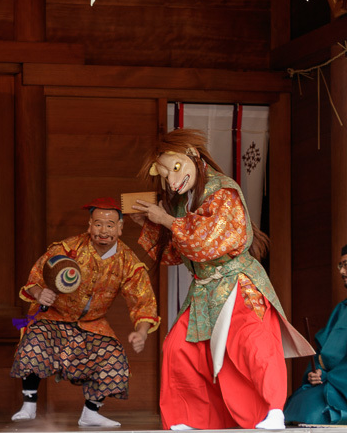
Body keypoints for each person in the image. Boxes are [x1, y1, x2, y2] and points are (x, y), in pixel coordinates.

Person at [131, 128, 312, 431]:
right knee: (179, 347)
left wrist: (166, 221)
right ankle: (187, 418)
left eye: (175, 169)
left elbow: (206, 242)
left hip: (236, 282)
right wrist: (152, 225)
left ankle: (273, 411)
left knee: (253, 344)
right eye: (164, 176)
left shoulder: (222, 190)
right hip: (203, 288)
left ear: (192, 154)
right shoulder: (179, 202)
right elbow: (175, 255)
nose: (172, 181)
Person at [10, 197, 160, 427]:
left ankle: (91, 412)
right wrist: (41, 294)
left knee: (113, 356)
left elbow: (143, 301)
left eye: (110, 225)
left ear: (120, 228)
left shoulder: (128, 262)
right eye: (98, 224)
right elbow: (36, 278)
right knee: (34, 342)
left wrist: (141, 332)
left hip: (93, 322)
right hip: (55, 316)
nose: (103, 230)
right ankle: (29, 404)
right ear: (89, 225)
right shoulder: (68, 249)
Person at [284, 244, 347, 425]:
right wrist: (316, 372)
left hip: (340, 386)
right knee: (296, 406)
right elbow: (321, 352)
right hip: (329, 382)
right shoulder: (341, 309)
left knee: (313, 411)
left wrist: (329, 377)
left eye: (346, 265)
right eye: (340, 265)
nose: (342, 271)